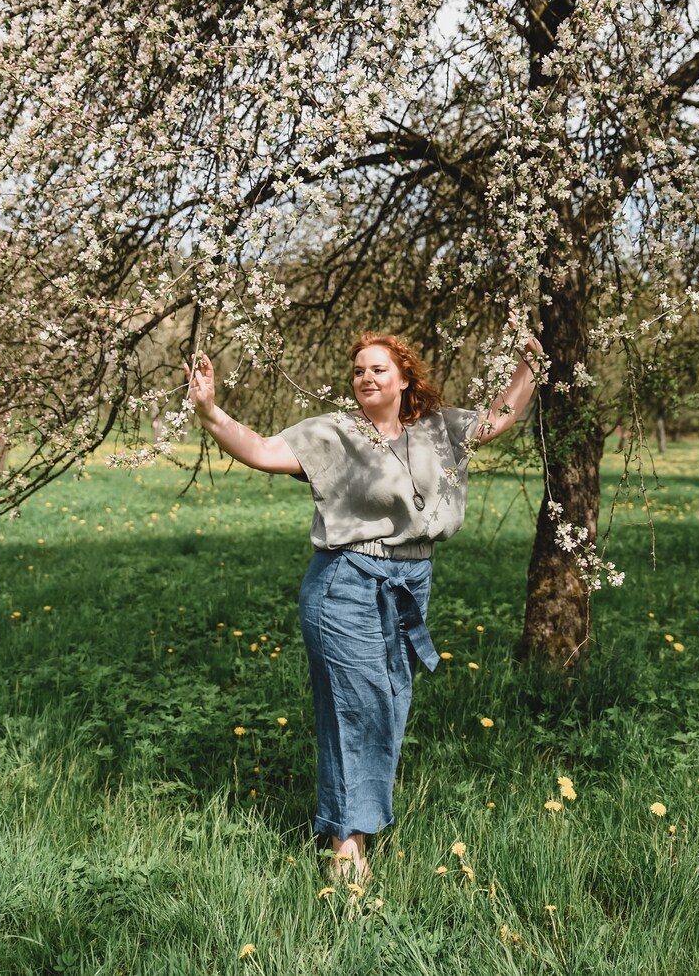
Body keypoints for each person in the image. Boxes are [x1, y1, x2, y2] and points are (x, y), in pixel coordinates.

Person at [186, 330, 542, 881]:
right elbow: (260, 450)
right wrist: (210, 411)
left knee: (391, 705)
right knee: (357, 707)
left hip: (410, 585)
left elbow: (498, 418)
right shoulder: (335, 433)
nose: (366, 378)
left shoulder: (439, 430)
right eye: (358, 371)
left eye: (378, 369)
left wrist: (527, 369)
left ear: (404, 378)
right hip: (346, 583)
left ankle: (357, 821)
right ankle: (346, 847)